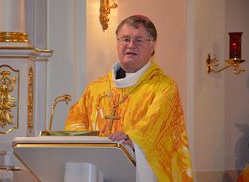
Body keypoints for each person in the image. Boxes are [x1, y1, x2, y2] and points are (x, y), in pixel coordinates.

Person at [65, 15, 193, 182]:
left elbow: (155, 125)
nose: (131, 45)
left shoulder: (164, 87)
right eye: (125, 39)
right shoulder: (96, 88)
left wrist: (132, 138)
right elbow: (76, 119)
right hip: (95, 173)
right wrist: (88, 142)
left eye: (139, 40)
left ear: (152, 46)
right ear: (117, 44)